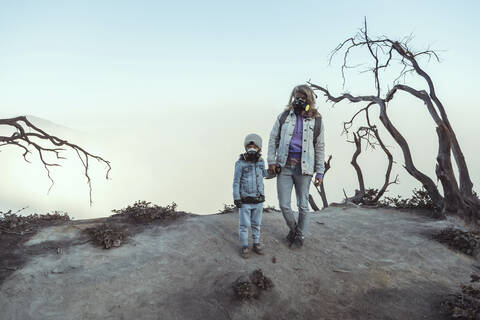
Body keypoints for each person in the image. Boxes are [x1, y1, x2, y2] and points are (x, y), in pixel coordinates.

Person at [267, 84, 325, 249]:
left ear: (309, 100)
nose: (299, 100)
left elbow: (320, 147)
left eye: (302, 97)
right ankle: (295, 230)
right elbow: (273, 139)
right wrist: (271, 161)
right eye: (296, 97)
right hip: (284, 166)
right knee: (284, 204)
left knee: (303, 205)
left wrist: (320, 172)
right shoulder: (284, 116)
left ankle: (300, 237)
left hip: (304, 169)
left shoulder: (317, 120)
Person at [232, 134, 270, 259]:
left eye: (255, 146)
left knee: (256, 223)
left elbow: (264, 173)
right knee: (244, 224)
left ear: (259, 148)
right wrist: (236, 197)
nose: (252, 148)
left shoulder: (261, 161)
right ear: (246, 147)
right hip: (245, 200)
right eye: (249, 146)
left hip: (258, 199)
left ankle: (256, 243)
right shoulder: (240, 163)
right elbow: (236, 181)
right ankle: (244, 245)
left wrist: (274, 171)